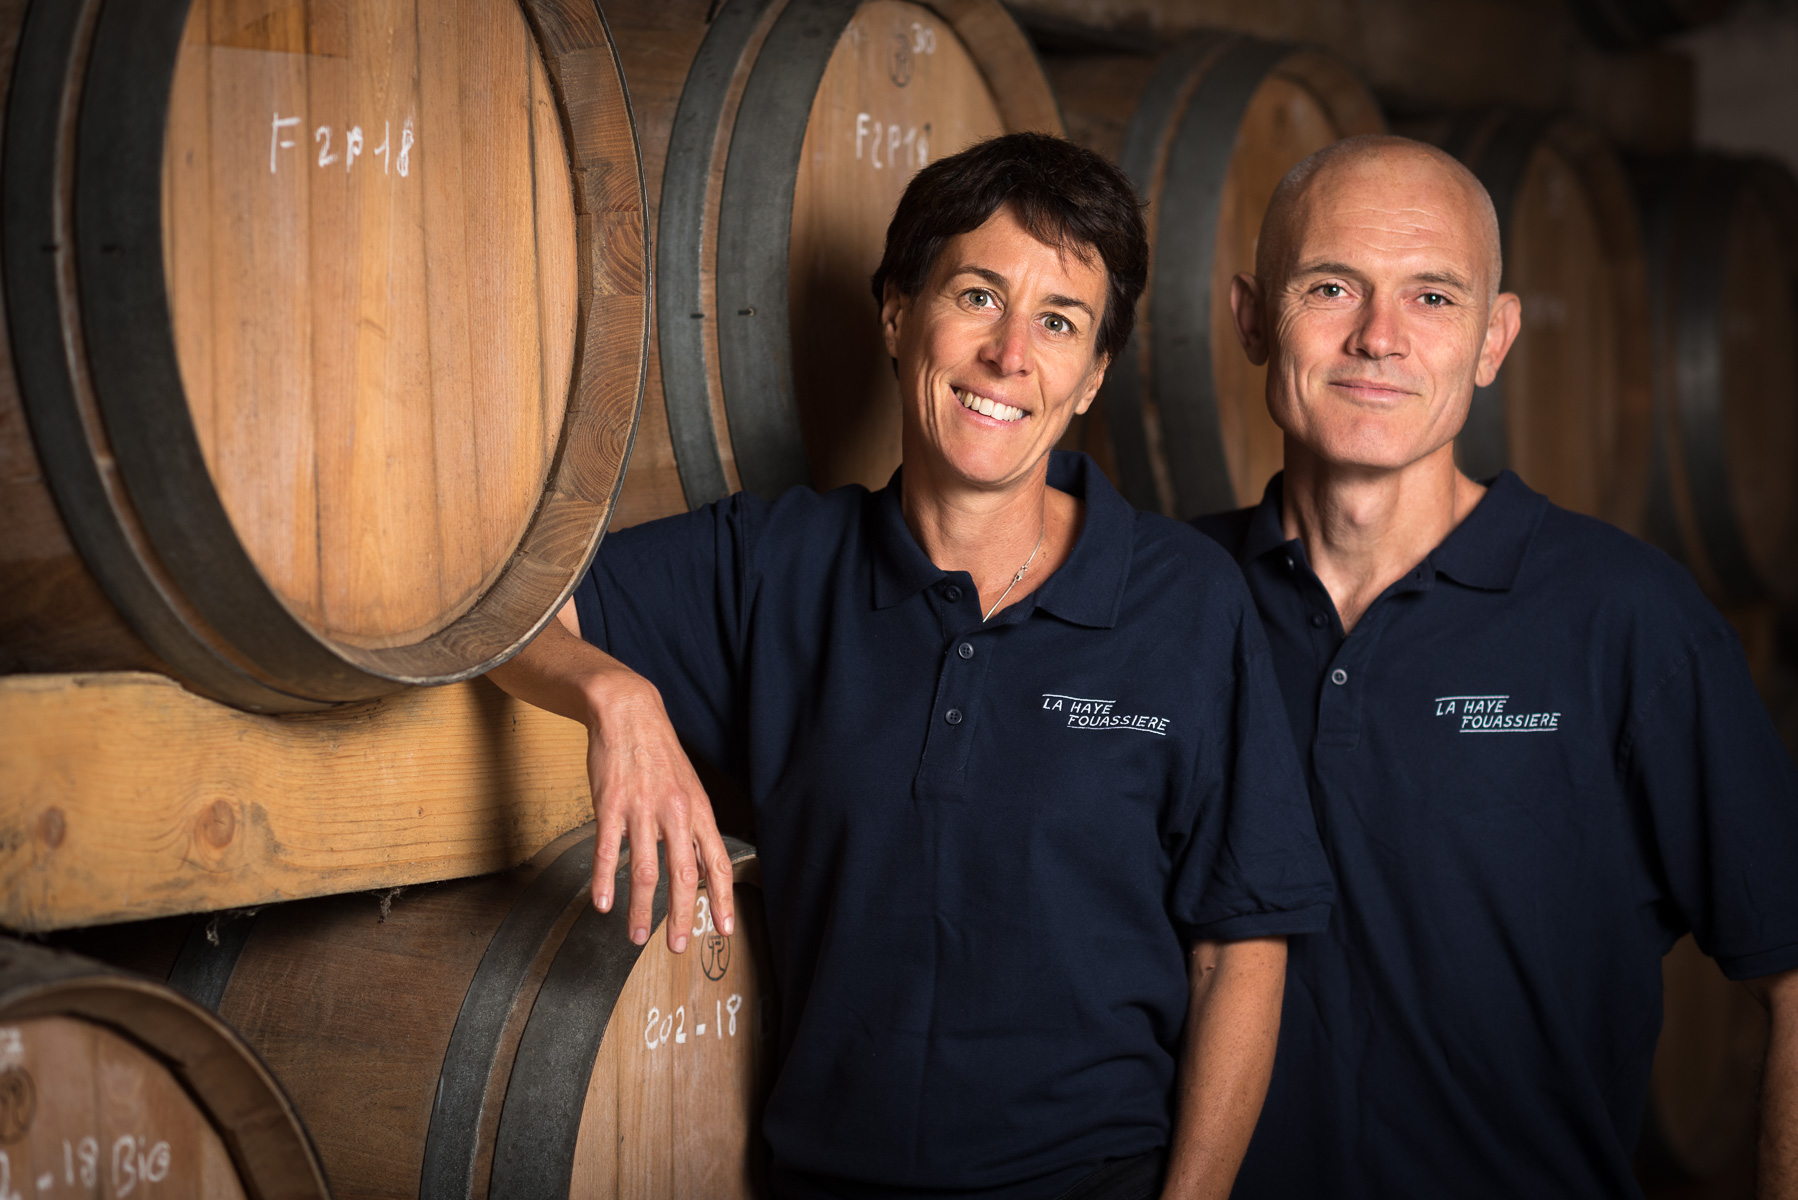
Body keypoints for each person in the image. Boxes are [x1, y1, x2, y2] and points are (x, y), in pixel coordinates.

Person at [488, 133, 1334, 1200]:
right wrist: (614, 692)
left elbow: (1240, 945)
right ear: (898, 314)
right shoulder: (774, 565)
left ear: (1092, 376)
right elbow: (507, 609)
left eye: (1060, 322)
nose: (1010, 353)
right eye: (978, 296)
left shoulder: (1185, 598)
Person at [1192, 133, 1798, 1199]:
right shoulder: (1164, 597)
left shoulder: (1625, 618)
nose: (1379, 338)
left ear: (1494, 337)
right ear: (1250, 317)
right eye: (1331, 286)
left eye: (1433, 297)